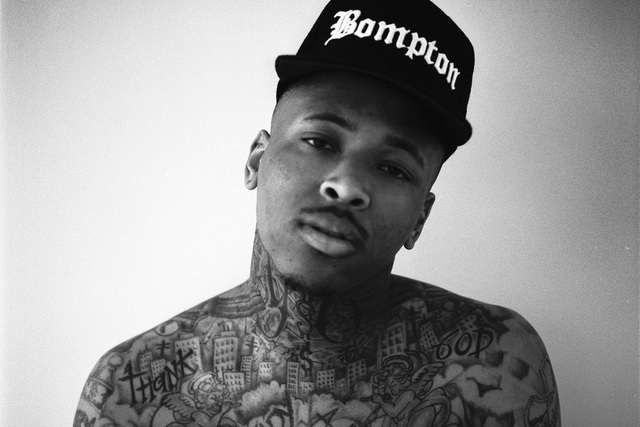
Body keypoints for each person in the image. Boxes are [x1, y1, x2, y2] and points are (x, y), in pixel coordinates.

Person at [74, 1, 561, 426]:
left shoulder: (494, 358)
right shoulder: (132, 389)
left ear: (420, 219)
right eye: (319, 141)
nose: (346, 186)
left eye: (393, 168)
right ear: (256, 161)